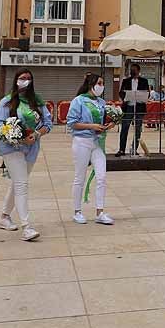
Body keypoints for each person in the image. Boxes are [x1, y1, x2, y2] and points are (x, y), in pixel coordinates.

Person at [0, 69, 52, 241]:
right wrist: (16, 137)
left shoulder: (38, 102)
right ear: (16, 80)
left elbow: (48, 124)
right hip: (11, 148)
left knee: (17, 183)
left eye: (28, 78)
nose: (25, 81)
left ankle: (4, 216)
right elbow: (0, 127)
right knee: (21, 184)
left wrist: (36, 135)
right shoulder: (6, 102)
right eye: (22, 78)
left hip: (31, 148)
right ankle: (27, 226)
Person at [68, 73, 115, 225]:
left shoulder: (101, 102)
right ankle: (77, 211)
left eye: (103, 83)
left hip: (97, 142)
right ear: (91, 84)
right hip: (82, 141)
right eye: (99, 83)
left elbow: (102, 120)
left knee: (101, 176)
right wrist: (91, 126)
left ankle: (100, 212)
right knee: (79, 177)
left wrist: (108, 125)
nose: (102, 86)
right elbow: (72, 123)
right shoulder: (78, 101)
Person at [117, 63, 149, 157]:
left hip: (139, 107)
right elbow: (121, 93)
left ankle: (134, 149)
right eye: (131, 69)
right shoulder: (126, 81)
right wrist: (126, 96)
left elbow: (147, 93)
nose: (132, 71)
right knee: (124, 128)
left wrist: (141, 95)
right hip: (128, 107)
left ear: (138, 71)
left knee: (138, 129)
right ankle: (121, 149)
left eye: (134, 70)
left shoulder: (144, 81)